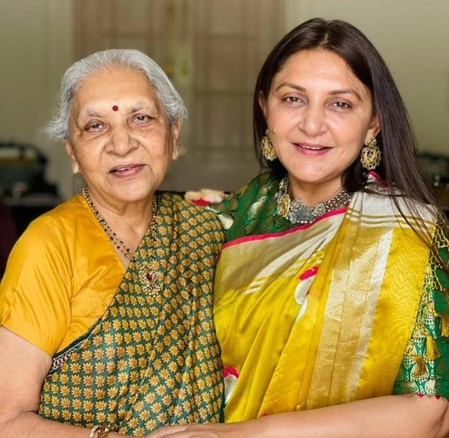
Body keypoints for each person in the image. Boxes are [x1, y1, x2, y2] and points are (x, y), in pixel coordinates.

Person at [149, 18, 449, 437]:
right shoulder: (227, 219)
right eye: (293, 99)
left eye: (340, 104)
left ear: (373, 123)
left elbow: (430, 413)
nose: (312, 124)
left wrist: (239, 436)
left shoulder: (407, 233)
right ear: (265, 107)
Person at [0, 49, 224, 438]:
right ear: (72, 151)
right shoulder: (50, 245)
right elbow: (7, 419)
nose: (121, 144)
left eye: (141, 118)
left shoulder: (206, 229)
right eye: (95, 126)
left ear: (173, 134)